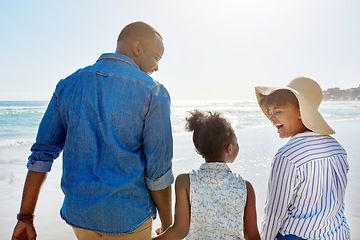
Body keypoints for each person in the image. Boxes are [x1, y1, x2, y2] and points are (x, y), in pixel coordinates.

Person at [12, 21, 174, 240]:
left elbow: (42, 154)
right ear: (137, 48)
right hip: (129, 219)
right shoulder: (153, 92)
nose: (156, 67)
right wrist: (167, 224)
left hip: (80, 217)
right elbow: (158, 172)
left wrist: (25, 218)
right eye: (156, 57)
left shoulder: (67, 85)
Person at [255, 77, 350, 240]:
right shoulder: (338, 149)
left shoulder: (287, 156)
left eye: (278, 111)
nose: (271, 118)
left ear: (300, 112)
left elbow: (274, 214)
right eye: (270, 112)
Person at [153, 110, 261, 240]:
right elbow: (252, 235)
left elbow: (180, 230)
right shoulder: (245, 187)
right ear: (230, 148)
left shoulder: (185, 182)